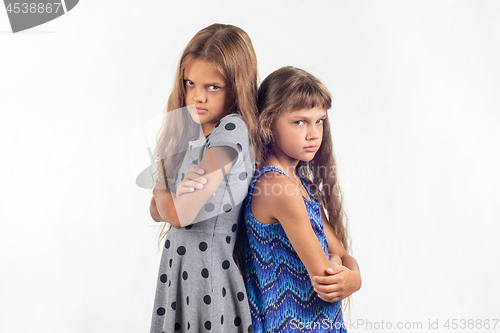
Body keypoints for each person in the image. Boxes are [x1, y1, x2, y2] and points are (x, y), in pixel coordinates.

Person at [148, 23, 258, 333]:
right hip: (180, 272)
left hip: (206, 280)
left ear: (236, 87)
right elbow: (156, 211)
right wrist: (168, 193)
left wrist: (163, 181)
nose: (198, 96)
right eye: (190, 83)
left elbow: (179, 214)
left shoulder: (231, 130)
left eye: (213, 87)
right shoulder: (195, 134)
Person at [244, 66, 362, 332]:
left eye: (319, 120)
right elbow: (326, 277)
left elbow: (341, 253)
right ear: (268, 122)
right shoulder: (277, 187)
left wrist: (354, 278)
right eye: (300, 122)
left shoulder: (300, 186)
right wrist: (344, 272)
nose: (314, 133)